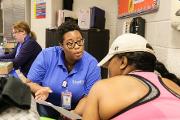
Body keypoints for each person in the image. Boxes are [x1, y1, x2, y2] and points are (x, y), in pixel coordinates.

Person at [83, 33, 180, 120]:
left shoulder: (101, 88)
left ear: (123, 62)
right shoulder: (173, 85)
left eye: (109, 64)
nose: (109, 69)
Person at [26, 20, 101, 119]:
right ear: (61, 45)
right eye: (70, 43)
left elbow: (89, 97)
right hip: (47, 105)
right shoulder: (47, 56)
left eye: (80, 41)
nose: (77, 47)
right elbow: (29, 83)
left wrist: (74, 113)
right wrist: (40, 89)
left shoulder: (92, 64)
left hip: (76, 108)